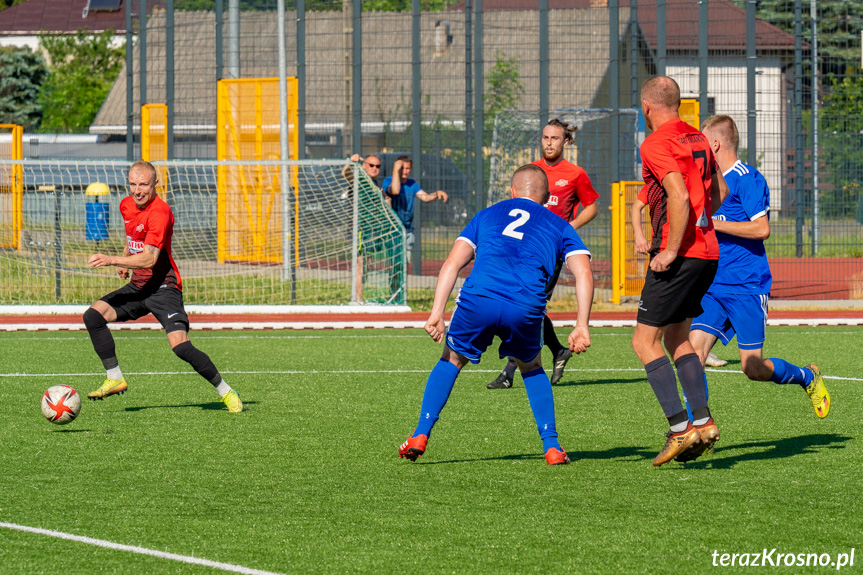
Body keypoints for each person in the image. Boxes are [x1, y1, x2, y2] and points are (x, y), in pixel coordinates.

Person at [398, 164, 594, 465]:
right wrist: (581, 324)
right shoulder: (560, 225)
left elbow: (452, 263)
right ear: (547, 197)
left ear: (512, 192)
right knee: (531, 367)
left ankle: (420, 434)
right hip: (525, 306)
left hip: (480, 298)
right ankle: (552, 447)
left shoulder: (487, 214)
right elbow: (583, 273)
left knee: (451, 359)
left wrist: (437, 312)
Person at [687, 115, 829, 417]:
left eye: (702, 140)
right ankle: (697, 425)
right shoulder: (707, 182)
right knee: (692, 355)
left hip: (746, 285)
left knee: (753, 368)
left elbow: (761, 229)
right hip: (713, 285)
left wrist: (717, 224)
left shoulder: (747, 178)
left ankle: (807, 376)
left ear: (714, 143)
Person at [83, 160, 242, 413]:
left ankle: (225, 391)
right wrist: (124, 259)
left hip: (163, 289)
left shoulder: (160, 212)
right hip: (138, 288)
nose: (137, 191)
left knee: (181, 346)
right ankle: (115, 377)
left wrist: (112, 259)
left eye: (143, 185)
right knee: (93, 316)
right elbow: (134, 237)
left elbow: (149, 259)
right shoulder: (126, 205)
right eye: (133, 184)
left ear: (156, 183)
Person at [630, 76, 728, 467]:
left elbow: (679, 194)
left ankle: (679, 429)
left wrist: (670, 249)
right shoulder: (698, 138)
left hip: (681, 253)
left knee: (643, 341)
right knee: (676, 337)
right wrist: (703, 225)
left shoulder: (655, 142)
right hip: (707, 252)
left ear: (647, 107)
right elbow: (716, 190)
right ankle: (703, 424)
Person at [487, 118, 599, 390]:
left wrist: (568, 228)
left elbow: (592, 207)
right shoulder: (530, 172)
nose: (549, 143)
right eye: (545, 138)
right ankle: (558, 350)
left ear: (565, 142)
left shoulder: (575, 173)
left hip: (550, 252)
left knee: (524, 305)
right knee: (526, 305)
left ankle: (509, 371)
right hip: (522, 248)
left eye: (555, 138)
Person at [382, 155, 449, 264]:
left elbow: (425, 197)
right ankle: (393, 280)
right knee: (394, 263)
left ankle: (401, 281)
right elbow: (395, 190)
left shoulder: (412, 184)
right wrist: (395, 169)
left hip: (407, 230)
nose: (405, 171)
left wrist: (437, 193)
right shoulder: (388, 181)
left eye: (407, 168)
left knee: (404, 264)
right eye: (402, 168)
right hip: (393, 230)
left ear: (411, 169)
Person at [342, 153, 389, 302]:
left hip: (371, 231)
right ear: (364, 166)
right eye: (371, 165)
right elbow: (346, 173)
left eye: (378, 166)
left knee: (366, 265)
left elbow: (385, 202)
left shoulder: (377, 187)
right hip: (358, 230)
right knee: (360, 264)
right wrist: (350, 161)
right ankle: (357, 299)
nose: (375, 169)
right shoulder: (359, 180)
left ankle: (358, 296)